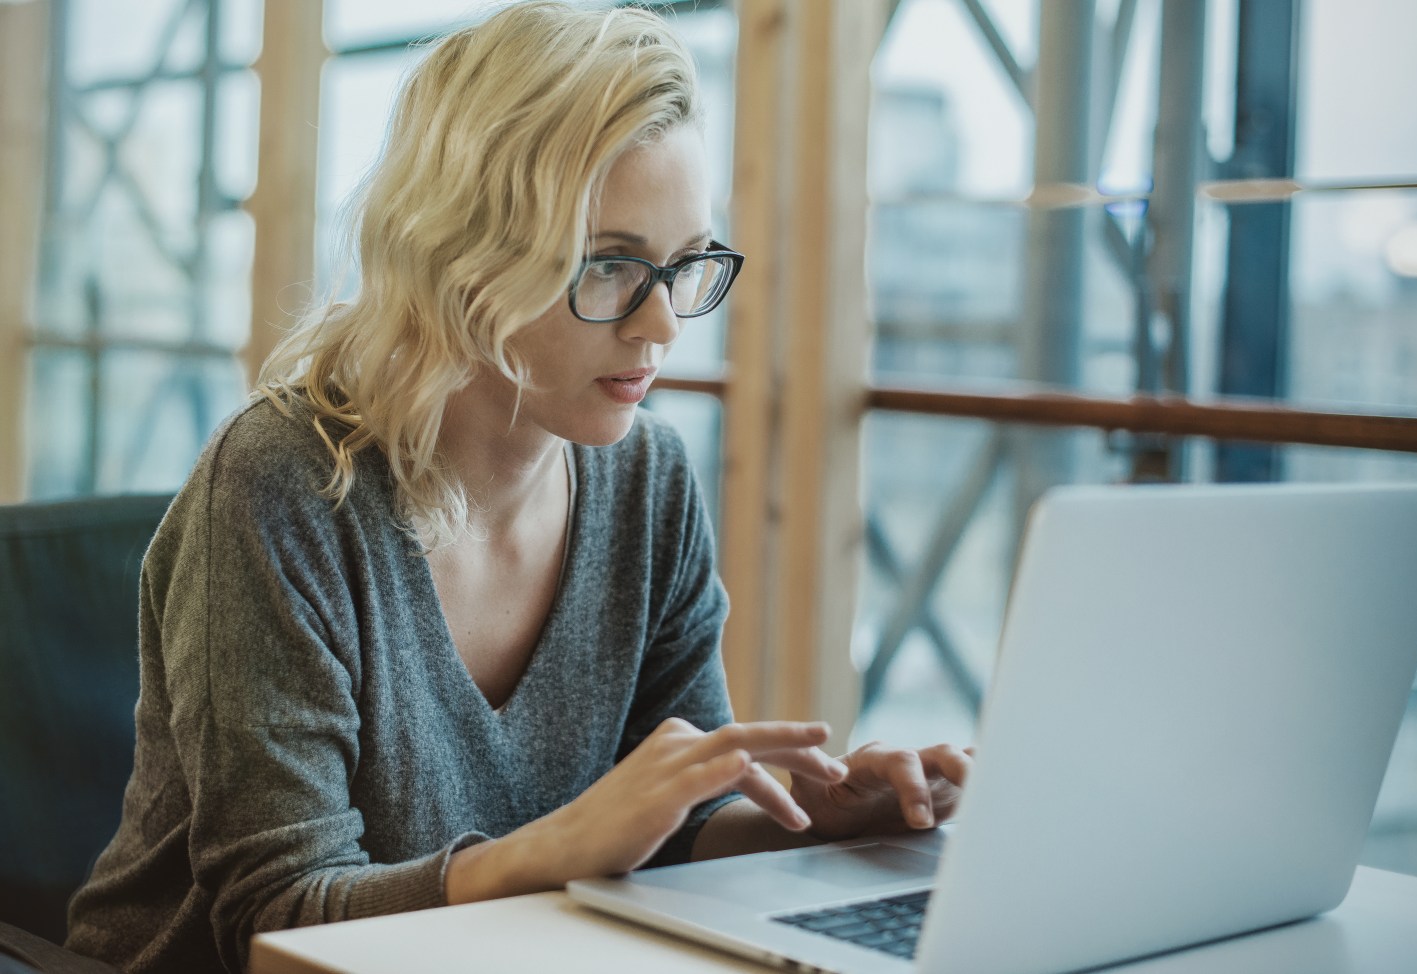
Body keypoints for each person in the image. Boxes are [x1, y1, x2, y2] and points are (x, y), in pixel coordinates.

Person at [65, 3, 971, 972]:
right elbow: (277, 913)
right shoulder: (284, 485)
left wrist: (813, 821)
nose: (662, 326)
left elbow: (678, 824)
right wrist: (560, 844)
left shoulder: (648, 481)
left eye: (684, 264)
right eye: (613, 264)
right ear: (466, 253)